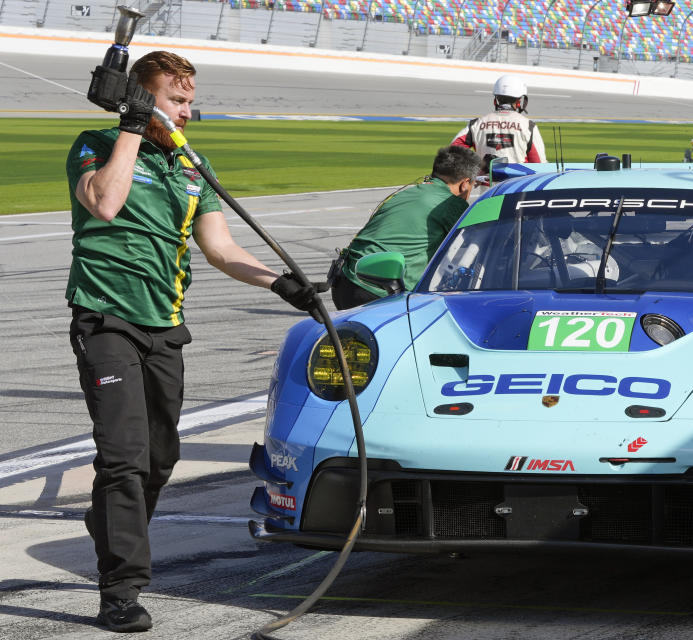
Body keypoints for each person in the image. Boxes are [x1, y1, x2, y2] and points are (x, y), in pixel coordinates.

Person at [68, 51, 320, 632]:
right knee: (124, 460)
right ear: (140, 96)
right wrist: (132, 126)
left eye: (188, 99)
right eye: (175, 100)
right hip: (105, 319)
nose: (187, 110)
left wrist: (282, 283)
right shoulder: (97, 142)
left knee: (160, 460)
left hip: (164, 324)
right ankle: (121, 590)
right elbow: (104, 202)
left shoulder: (190, 162)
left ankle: (108, 521)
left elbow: (222, 249)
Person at [330, 145, 482, 309]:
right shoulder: (451, 203)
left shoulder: (409, 192)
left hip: (345, 281)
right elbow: (481, 245)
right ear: (465, 184)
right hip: (379, 291)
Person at [451, 74, 547, 168]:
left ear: (495, 100)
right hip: (515, 183)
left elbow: (452, 152)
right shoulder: (528, 126)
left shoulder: (476, 124)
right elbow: (539, 165)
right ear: (518, 103)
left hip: (484, 183)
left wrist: (476, 168)